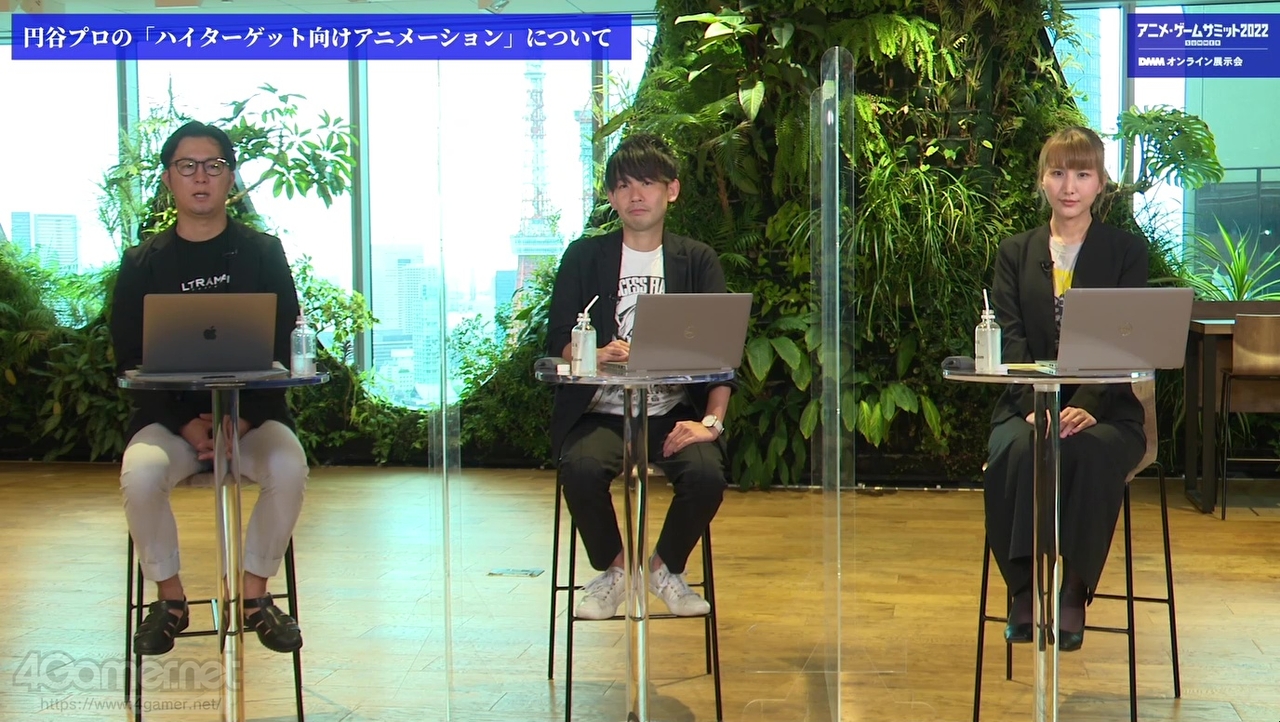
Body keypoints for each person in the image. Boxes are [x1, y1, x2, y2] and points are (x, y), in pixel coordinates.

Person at [110, 120, 308, 655]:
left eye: (214, 165)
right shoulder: (142, 264)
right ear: (168, 179)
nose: (201, 177)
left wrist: (241, 418)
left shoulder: (263, 253)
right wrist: (187, 423)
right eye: (187, 166)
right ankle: (170, 599)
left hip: (253, 420)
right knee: (141, 473)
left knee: (288, 466)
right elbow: (128, 360)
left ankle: (254, 595)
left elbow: (284, 348)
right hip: (170, 423)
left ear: (231, 177)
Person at [547, 133, 733, 620]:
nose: (636, 195)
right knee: (580, 469)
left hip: (672, 412)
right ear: (611, 197)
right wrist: (593, 354)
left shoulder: (697, 261)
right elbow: (558, 342)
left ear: (671, 190)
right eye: (624, 185)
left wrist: (710, 424)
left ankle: (663, 569)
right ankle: (616, 572)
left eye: (647, 183)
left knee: (706, 475)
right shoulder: (583, 257)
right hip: (602, 412)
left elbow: (721, 357)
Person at [984, 125, 1148, 652]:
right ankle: (1023, 589)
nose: (1069, 186)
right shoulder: (1015, 252)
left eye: (1082, 174)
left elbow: (1125, 341)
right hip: (1026, 404)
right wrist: (1036, 404)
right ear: (1042, 180)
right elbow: (1010, 340)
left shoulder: (1125, 252)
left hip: (1108, 407)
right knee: (1018, 450)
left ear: (1101, 183)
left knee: (1088, 453)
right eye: (1057, 173)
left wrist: (1087, 405)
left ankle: (1074, 590)